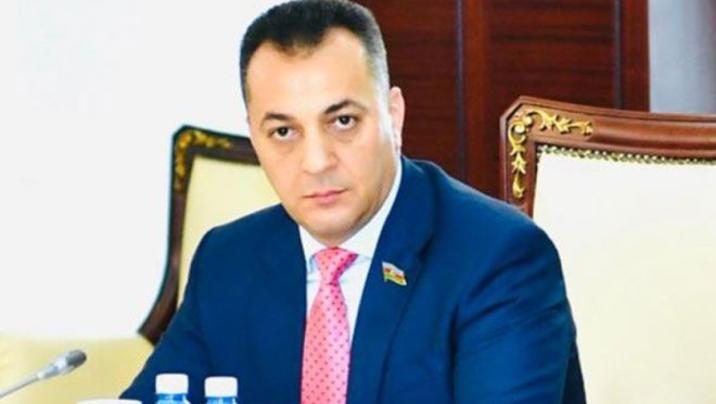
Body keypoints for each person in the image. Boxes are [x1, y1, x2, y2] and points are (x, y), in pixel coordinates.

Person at [122, 1, 585, 403]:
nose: (316, 162)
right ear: (254, 138)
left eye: (342, 121)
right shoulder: (227, 260)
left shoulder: (498, 259)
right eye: (283, 131)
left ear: (393, 116)